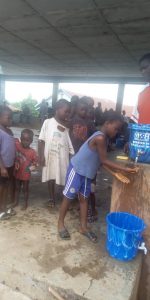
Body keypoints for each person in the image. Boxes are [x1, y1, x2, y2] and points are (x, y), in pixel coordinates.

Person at [58, 111, 137, 242]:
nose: (116, 132)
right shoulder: (100, 138)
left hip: (87, 174)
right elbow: (105, 160)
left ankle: (83, 227)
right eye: (115, 128)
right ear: (107, 123)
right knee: (68, 197)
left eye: (118, 130)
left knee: (84, 199)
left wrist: (116, 173)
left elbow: (100, 161)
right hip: (77, 170)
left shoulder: (104, 140)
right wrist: (124, 168)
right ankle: (60, 223)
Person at [38, 99, 74, 208]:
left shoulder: (68, 127)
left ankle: (65, 199)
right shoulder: (47, 122)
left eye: (69, 112)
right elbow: (41, 140)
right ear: (57, 110)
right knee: (51, 177)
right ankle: (51, 198)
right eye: (66, 111)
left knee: (64, 177)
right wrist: (41, 156)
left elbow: (70, 144)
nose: (68, 114)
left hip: (62, 158)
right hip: (50, 156)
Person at [14, 129, 38, 210]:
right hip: (17, 173)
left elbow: (35, 164)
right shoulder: (17, 146)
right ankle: (16, 202)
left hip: (26, 175)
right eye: (23, 140)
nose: (25, 142)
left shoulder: (33, 152)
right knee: (17, 188)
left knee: (25, 189)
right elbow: (14, 140)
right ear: (20, 138)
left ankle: (25, 203)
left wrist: (30, 169)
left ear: (31, 141)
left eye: (27, 140)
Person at [0, 105, 16, 220]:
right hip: (2, 166)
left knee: (6, 186)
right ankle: (1, 210)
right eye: (8, 118)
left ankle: (4, 206)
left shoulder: (10, 131)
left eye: (12, 118)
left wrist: (15, 161)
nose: (11, 120)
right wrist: (2, 167)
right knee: (2, 187)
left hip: (10, 165)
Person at [131, 53, 150, 124]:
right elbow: (134, 120)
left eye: (145, 68)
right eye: (141, 69)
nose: (143, 72)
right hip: (142, 134)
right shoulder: (142, 91)